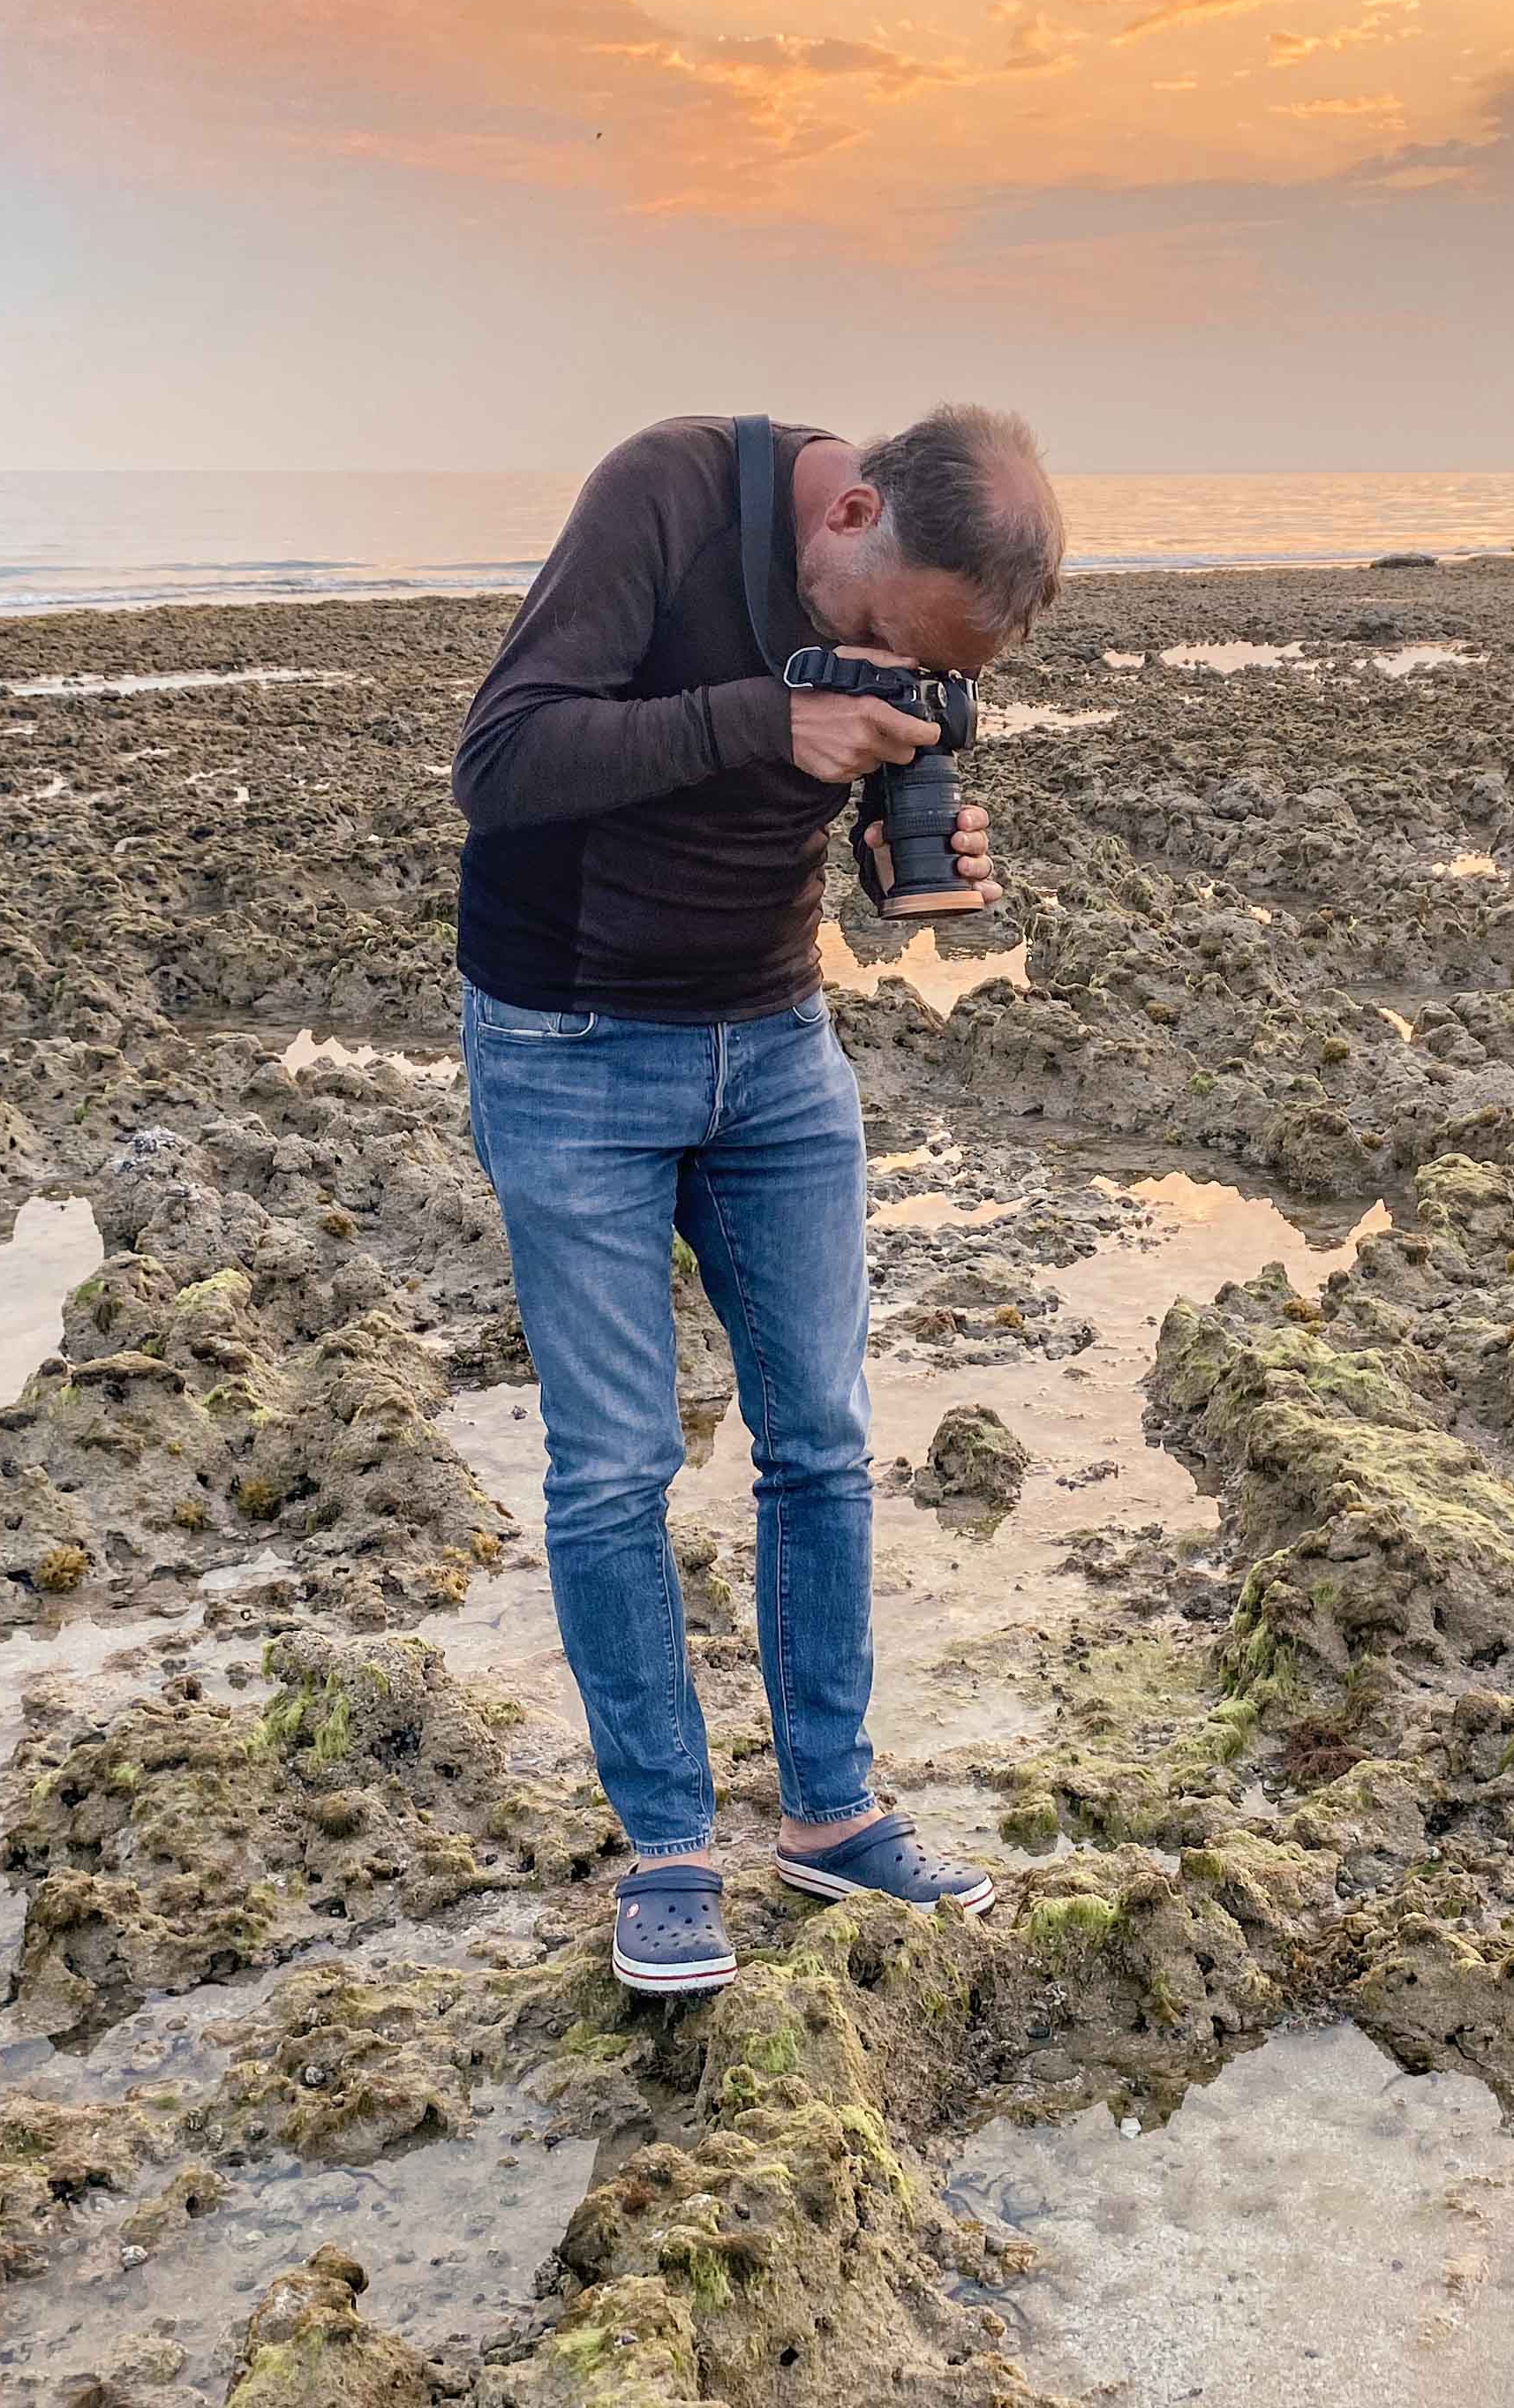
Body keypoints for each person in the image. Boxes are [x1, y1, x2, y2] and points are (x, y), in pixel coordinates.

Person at [449, 408, 1064, 1995]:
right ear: (850, 508)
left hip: (775, 1039)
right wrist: (767, 717)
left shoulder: (897, 608)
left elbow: (837, 802)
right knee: (614, 1464)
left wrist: (906, 849)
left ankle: (832, 1819)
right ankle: (664, 1853)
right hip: (571, 1040)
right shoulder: (661, 494)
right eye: (871, 639)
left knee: (823, 1439)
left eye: (928, 672)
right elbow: (502, 763)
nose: (882, 673)